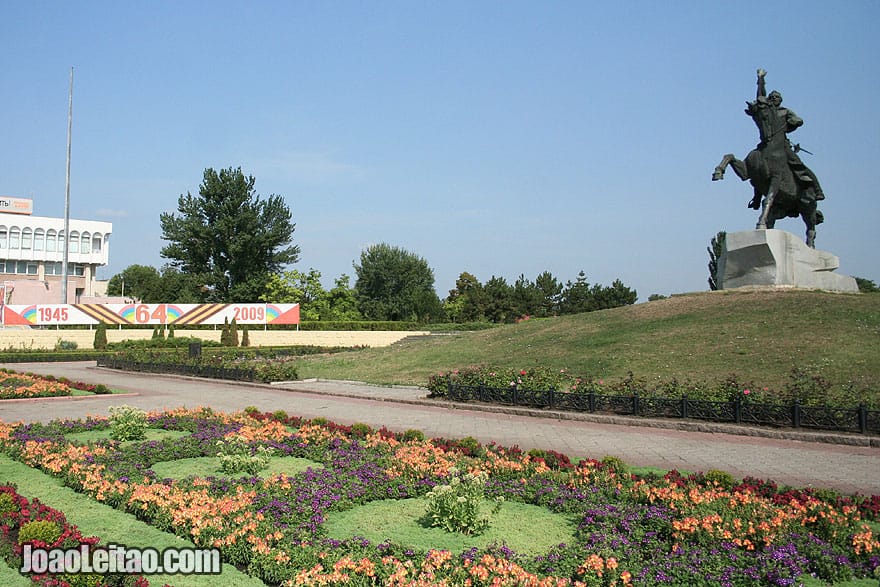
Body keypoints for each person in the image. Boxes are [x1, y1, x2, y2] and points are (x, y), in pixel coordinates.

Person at [744, 70, 825, 208]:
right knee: (755, 166)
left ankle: (817, 189)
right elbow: (760, 96)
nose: (774, 98)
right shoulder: (767, 111)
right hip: (766, 143)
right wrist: (761, 80)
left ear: (780, 100)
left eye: (776, 97)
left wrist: (792, 122)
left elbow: (799, 120)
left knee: (798, 164)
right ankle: (757, 198)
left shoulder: (785, 111)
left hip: (782, 145)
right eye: (772, 96)